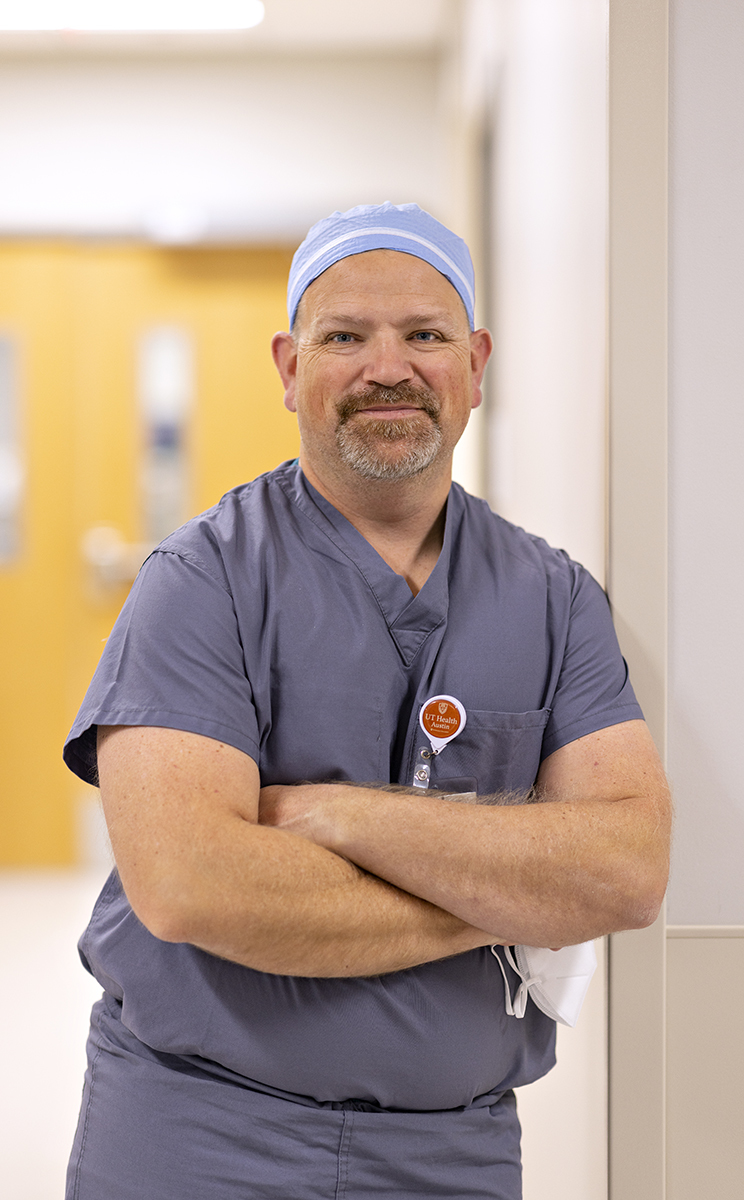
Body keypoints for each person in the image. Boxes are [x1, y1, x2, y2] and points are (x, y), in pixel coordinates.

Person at [63, 202, 671, 1200]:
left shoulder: (552, 599)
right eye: (342, 336)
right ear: (288, 368)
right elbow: (189, 886)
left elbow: (624, 874)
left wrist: (331, 818)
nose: (385, 367)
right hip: (197, 1135)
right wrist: (507, 890)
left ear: (474, 363)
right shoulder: (201, 581)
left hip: (454, 1153)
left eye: (423, 335)